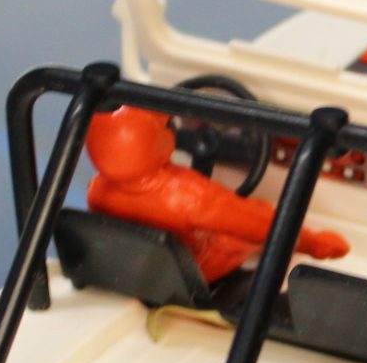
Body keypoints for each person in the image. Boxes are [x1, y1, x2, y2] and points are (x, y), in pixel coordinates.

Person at [85, 107, 348, 281]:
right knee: (252, 224)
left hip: (136, 269)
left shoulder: (97, 188)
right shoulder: (187, 196)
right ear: (155, 140)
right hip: (194, 269)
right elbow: (259, 224)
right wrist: (313, 243)